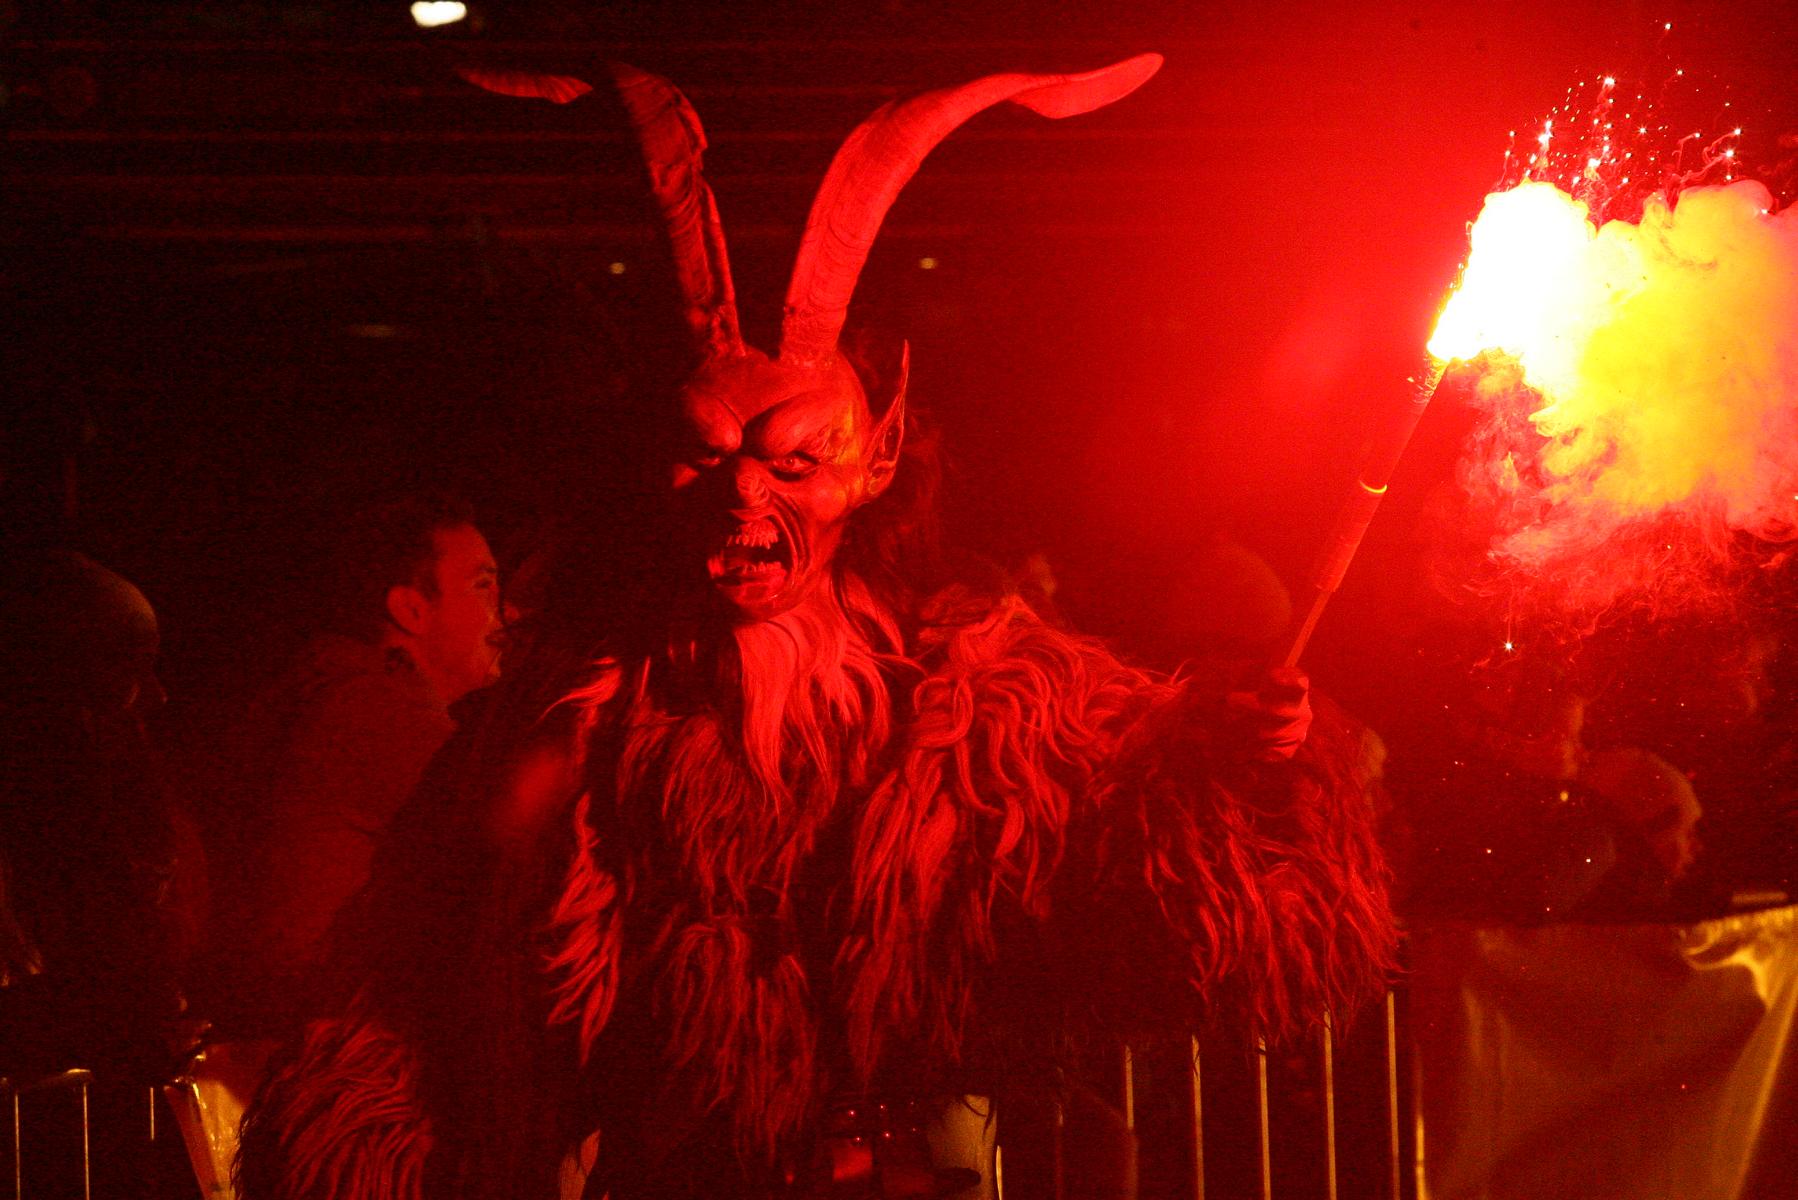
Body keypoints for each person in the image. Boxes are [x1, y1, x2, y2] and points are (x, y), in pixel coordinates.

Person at [238, 59, 1394, 1200]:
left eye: (796, 461)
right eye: (705, 454)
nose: (744, 494)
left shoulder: (978, 696)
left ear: (875, 460)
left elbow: (1166, 887)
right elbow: (419, 990)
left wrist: (1242, 764)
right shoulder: (581, 717)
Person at [199, 492, 509, 1035]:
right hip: (319, 1041)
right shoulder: (370, 708)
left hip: (288, 1031)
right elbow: (527, 840)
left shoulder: (336, 687)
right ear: (411, 609)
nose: (508, 612)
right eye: (483, 586)